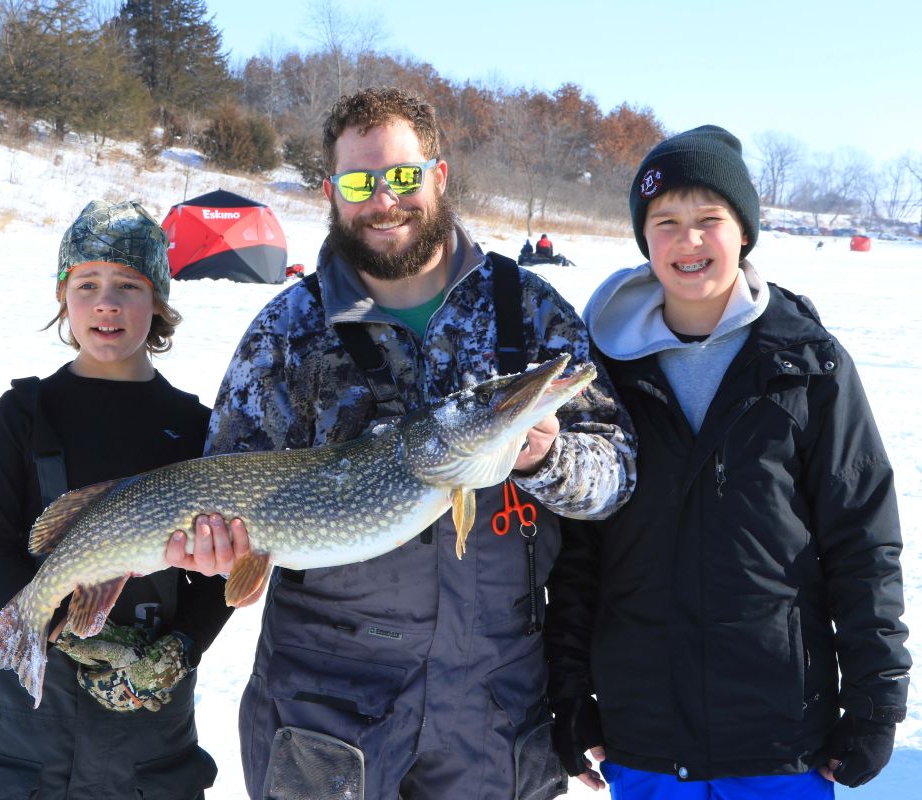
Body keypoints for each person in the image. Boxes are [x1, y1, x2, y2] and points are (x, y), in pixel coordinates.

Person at [171, 87, 637, 800]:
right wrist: (214, 547)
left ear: (439, 177)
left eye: (402, 177)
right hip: (326, 699)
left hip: (493, 703)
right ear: (332, 192)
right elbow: (223, 482)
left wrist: (550, 458)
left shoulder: (530, 309)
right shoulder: (288, 332)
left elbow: (616, 474)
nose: (383, 201)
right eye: (359, 182)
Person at [544, 125, 911, 798]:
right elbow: (576, 554)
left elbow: (863, 542)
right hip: (645, 732)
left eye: (708, 220)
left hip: (778, 732)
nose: (689, 241)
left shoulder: (808, 365)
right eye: (667, 222)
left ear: (742, 231)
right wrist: (568, 691)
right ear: (643, 237)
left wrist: (877, 700)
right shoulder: (598, 373)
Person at [0, 200, 231, 800]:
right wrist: (75, 637)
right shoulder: (23, 415)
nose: (107, 302)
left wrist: (180, 649)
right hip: (20, 736)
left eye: (129, 284)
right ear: (63, 298)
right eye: (87, 283)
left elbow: (221, 573)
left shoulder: (198, 428)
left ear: (159, 303)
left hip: (148, 731)